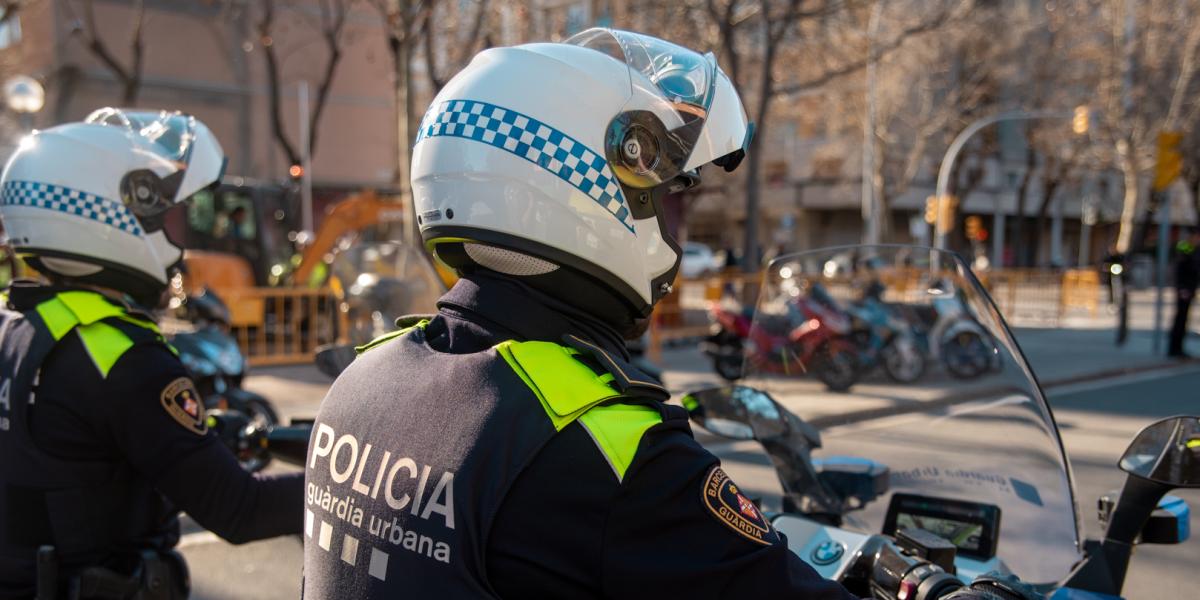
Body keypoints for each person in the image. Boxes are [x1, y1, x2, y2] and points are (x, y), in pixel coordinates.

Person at [302, 29, 1034, 599]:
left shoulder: (362, 382)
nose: (678, 233)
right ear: (580, 186)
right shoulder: (610, 454)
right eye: (670, 197)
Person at [0, 108, 304, 599]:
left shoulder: (16, 323)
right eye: (162, 218)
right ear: (108, 217)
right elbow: (240, 509)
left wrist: (204, 436)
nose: (176, 241)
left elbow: (73, 444)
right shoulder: (124, 357)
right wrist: (353, 489)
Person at [1168, 228, 1200, 358]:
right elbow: (1180, 270)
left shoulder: (1194, 249)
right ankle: (1174, 349)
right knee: (1180, 319)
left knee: (1184, 319)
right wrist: (1182, 288)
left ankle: (1178, 348)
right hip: (1184, 289)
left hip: (1190, 288)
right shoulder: (1185, 248)